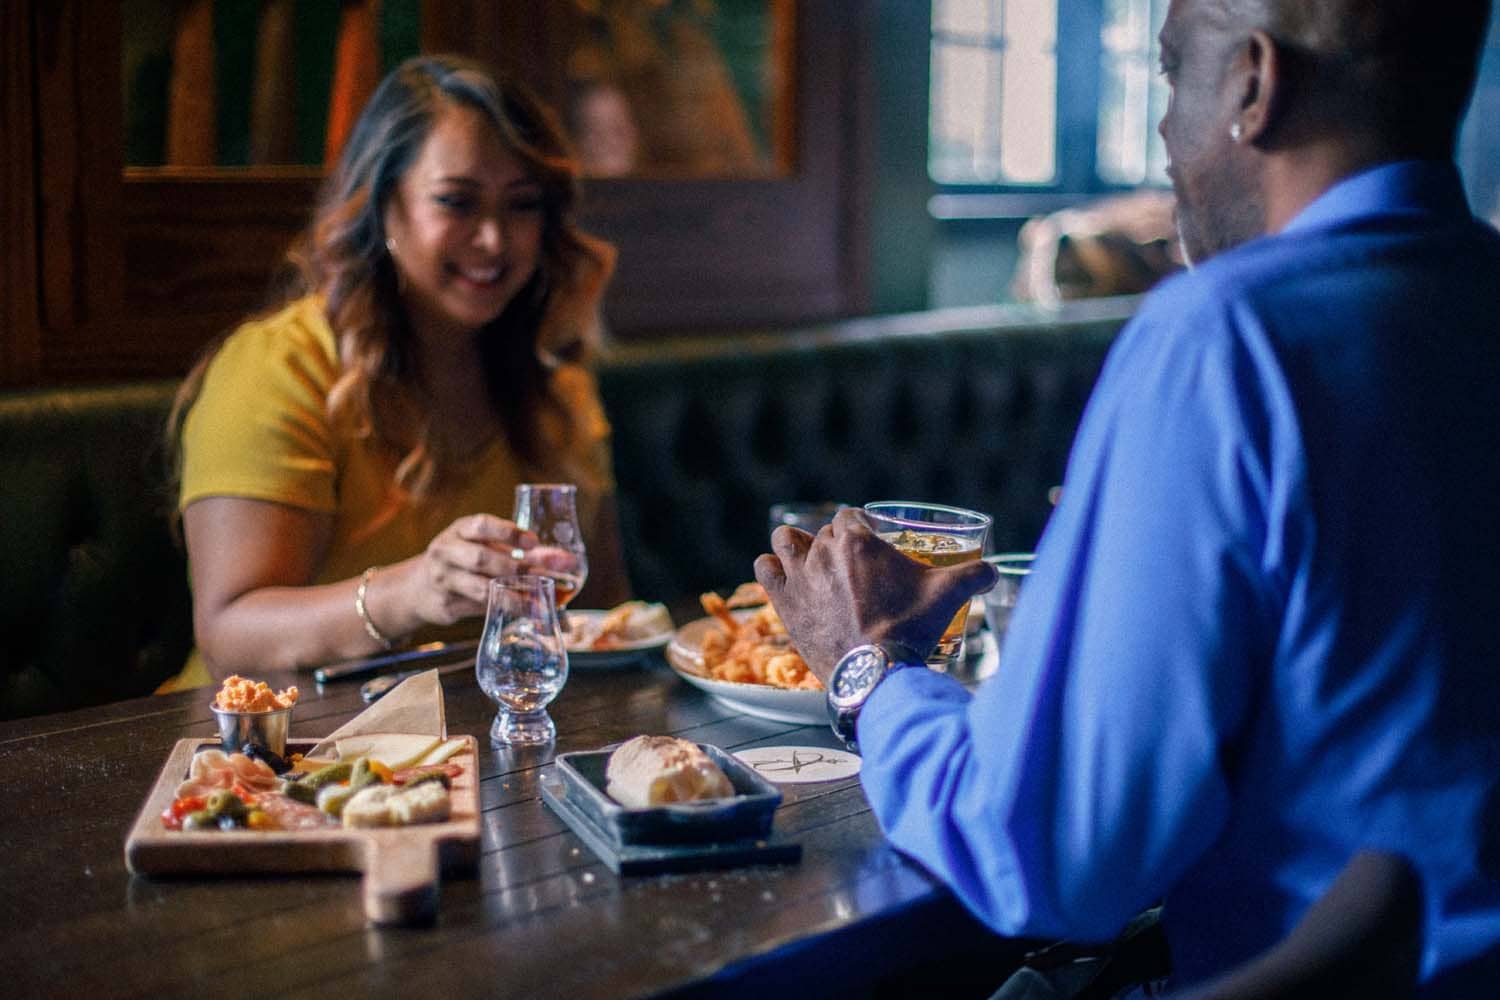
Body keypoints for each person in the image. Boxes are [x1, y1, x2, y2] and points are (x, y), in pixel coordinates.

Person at [754, 0, 1500, 993]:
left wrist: (869, 665)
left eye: (1172, 72)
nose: (1161, 128)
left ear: (1253, 84)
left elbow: (1044, 861)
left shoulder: (1225, 338)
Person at [162, 55, 631, 689]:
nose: (494, 240)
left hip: (475, 732)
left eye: (522, 206)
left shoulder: (553, 368)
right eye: (457, 202)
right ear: (383, 205)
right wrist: (413, 591)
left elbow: (602, 610)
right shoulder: (280, 365)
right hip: (270, 736)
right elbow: (230, 639)